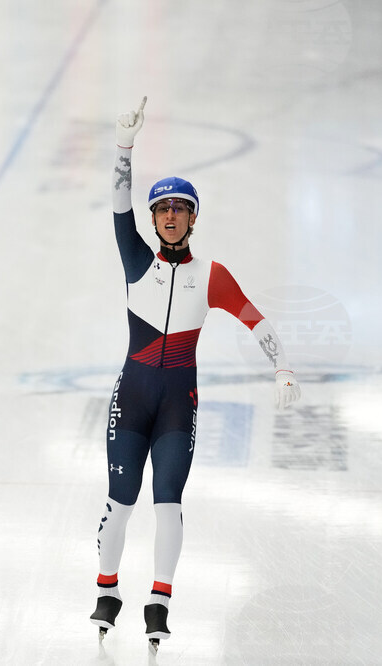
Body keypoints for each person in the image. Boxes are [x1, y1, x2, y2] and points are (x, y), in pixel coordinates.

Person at [90, 97, 302, 655]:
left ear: (192, 217)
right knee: (120, 498)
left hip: (177, 402)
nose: (169, 216)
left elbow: (253, 318)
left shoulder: (211, 276)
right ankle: (107, 592)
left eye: (179, 209)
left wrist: (281, 366)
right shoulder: (136, 259)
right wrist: (124, 148)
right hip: (133, 395)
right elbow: (118, 204)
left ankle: (158, 600)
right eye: (162, 210)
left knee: (168, 501)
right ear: (155, 219)